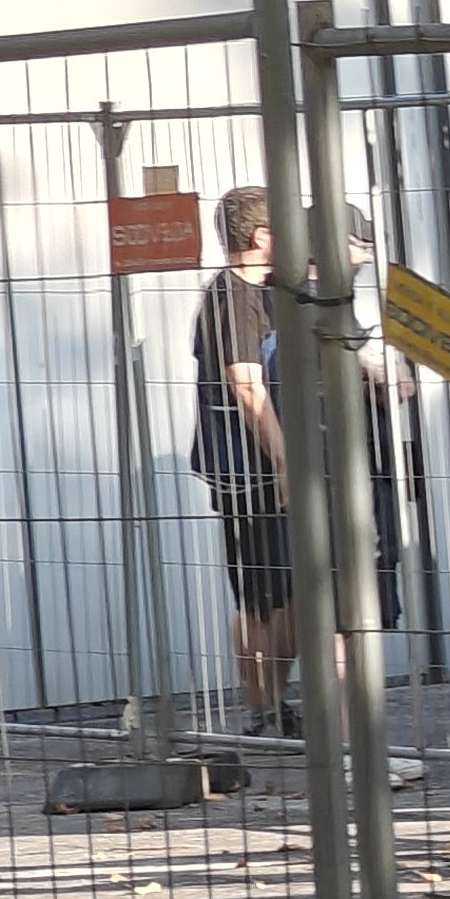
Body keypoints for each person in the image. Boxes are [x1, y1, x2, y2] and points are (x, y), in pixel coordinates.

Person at [190, 186, 292, 732]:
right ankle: (261, 710)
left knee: (288, 590)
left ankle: (278, 700)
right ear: (262, 236)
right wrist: (283, 459)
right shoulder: (232, 297)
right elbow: (246, 386)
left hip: (264, 465)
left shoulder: (269, 291)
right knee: (259, 593)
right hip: (245, 472)